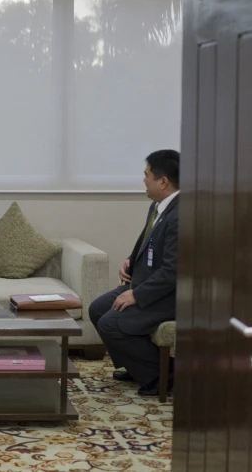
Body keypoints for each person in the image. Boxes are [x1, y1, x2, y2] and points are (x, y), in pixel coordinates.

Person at [89, 150, 180, 396]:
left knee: (111, 323)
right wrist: (130, 261)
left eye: (146, 175)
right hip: (147, 284)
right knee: (98, 308)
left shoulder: (181, 215)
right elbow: (147, 245)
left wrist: (136, 295)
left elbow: (174, 271)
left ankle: (161, 376)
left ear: (163, 181)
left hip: (171, 295)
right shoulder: (158, 207)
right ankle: (135, 365)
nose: (143, 180)